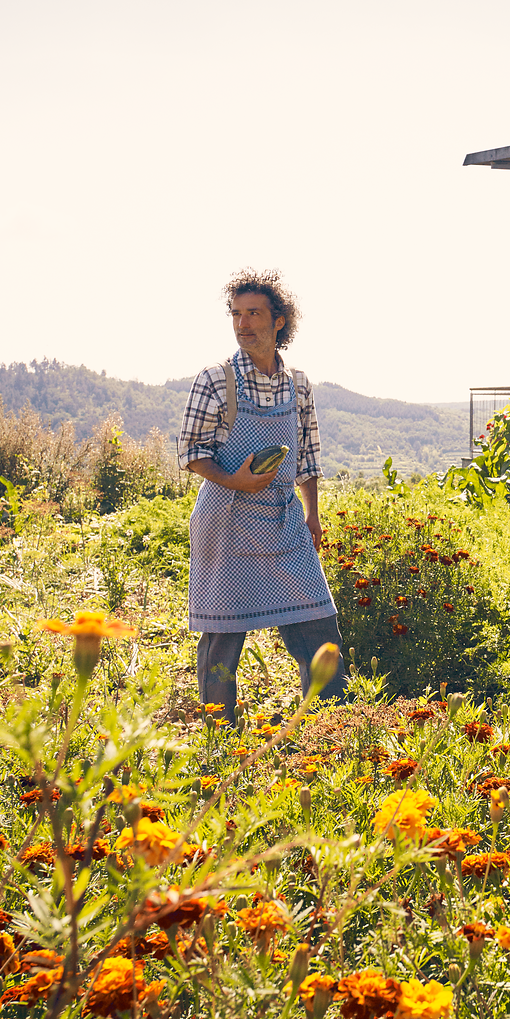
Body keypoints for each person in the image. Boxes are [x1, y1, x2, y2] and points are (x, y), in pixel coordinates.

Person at [179, 268, 339, 722]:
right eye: (236, 314)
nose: (242, 324)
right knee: (223, 635)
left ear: (280, 320)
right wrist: (237, 481)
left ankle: (327, 730)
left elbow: (307, 455)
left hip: (283, 516)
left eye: (253, 314)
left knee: (316, 621)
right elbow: (191, 453)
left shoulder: (298, 385)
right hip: (226, 520)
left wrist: (312, 514)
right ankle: (219, 736)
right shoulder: (217, 380)